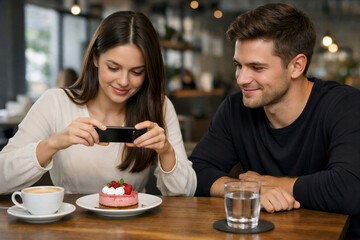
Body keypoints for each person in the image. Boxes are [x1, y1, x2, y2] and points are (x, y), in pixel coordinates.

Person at [189, 3, 360, 239]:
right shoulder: (234, 108)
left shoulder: (346, 105)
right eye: (238, 65)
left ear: (297, 66)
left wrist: (277, 185)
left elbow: (350, 188)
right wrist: (245, 189)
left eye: (256, 67)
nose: (241, 78)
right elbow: (195, 172)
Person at [0, 11, 196, 197]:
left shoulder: (159, 105)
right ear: (95, 57)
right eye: (113, 68)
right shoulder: (55, 103)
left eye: (137, 72)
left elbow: (184, 193)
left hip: (132, 227)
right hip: (70, 227)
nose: (124, 81)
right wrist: (54, 143)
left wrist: (166, 151)